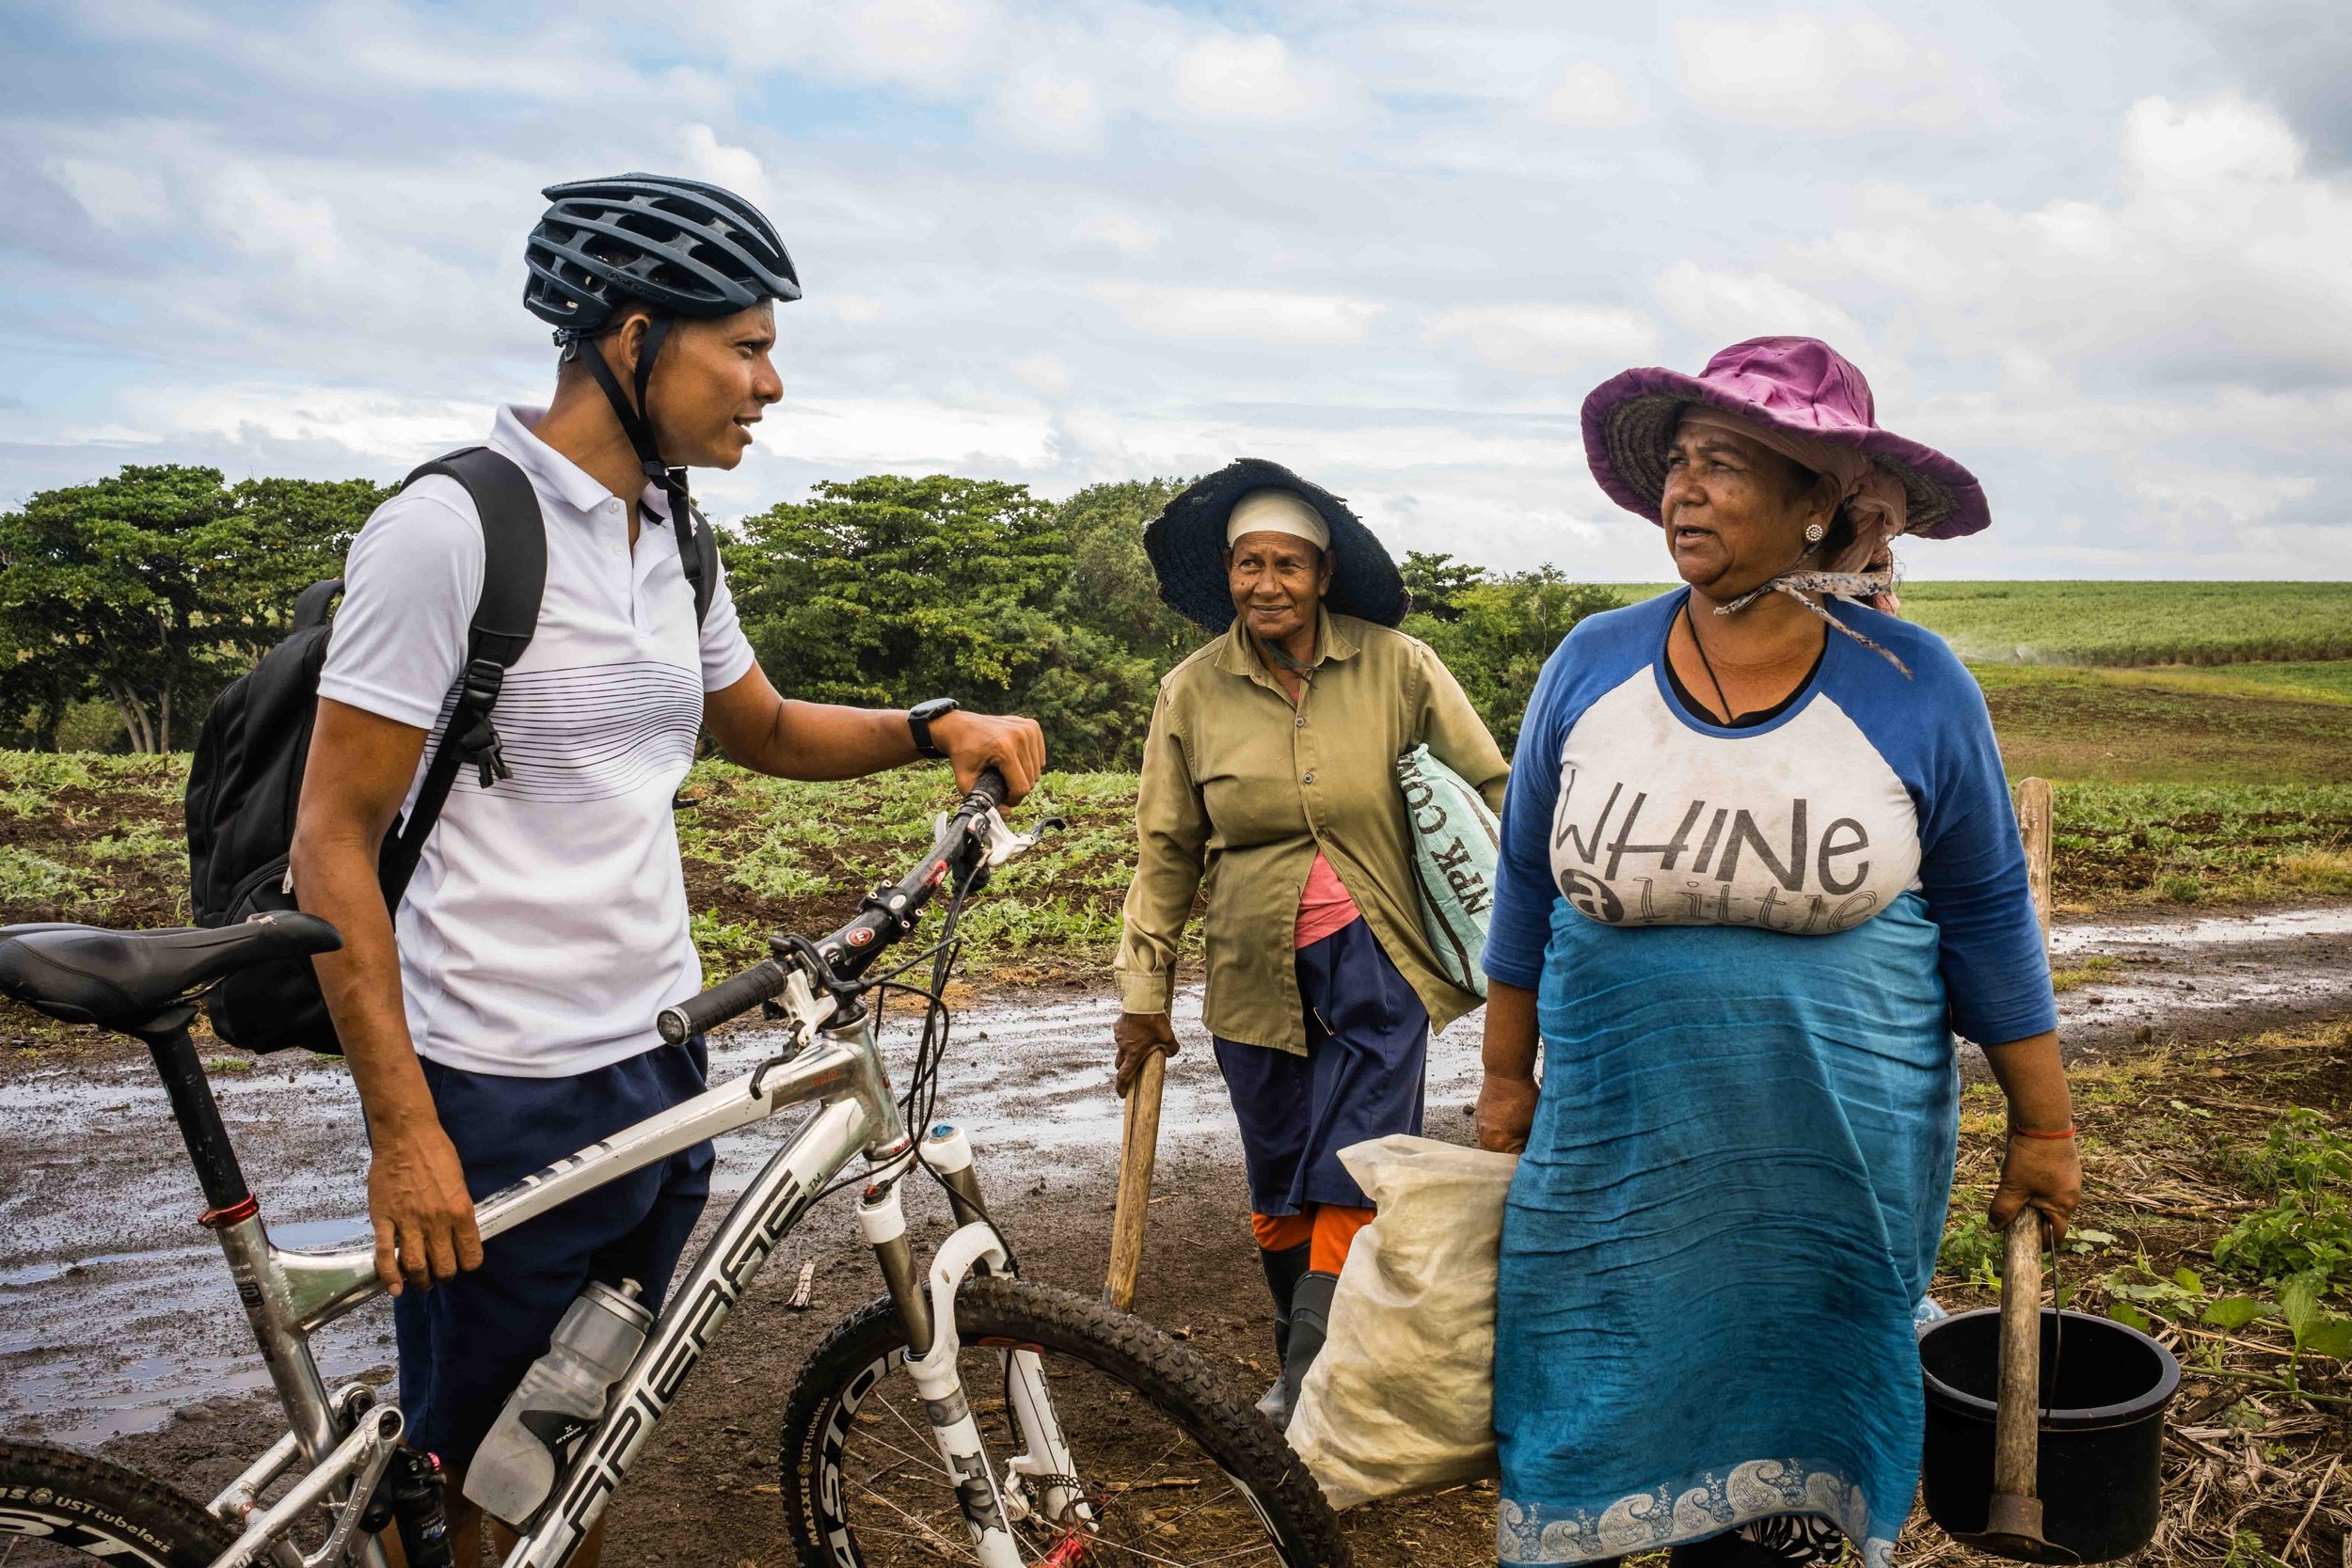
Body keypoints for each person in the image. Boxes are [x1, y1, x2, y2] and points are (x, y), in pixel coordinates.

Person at [289, 173, 1044, 1565]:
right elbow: (330, 836)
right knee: (455, 1474)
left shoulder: (674, 530)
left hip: (656, 1059)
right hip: (499, 1086)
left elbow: (754, 723)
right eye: (744, 346)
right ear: (632, 339)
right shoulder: (454, 528)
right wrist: (406, 1133)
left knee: (565, 1443)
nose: (771, 383)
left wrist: (934, 725)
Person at [1477, 338, 2079, 1568]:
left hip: (1822, 1172)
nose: (1684, 491)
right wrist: (1501, 1078)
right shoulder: (1594, 660)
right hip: (1612, 1154)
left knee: (1783, 1466)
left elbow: (1988, 913)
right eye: (1680, 462)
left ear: (1824, 505)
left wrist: (2046, 1125)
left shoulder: (1914, 681)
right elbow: (1528, 883)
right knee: (1588, 1411)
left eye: (1728, 464)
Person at [1113, 459, 1507, 1422]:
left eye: (1288, 563)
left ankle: (1311, 1377)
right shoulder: (1193, 692)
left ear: (1323, 574)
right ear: (1229, 572)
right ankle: (1309, 1357)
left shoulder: (1398, 665)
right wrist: (1141, 992)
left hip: (1380, 954)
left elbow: (1491, 789)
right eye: (1249, 564)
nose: (1266, 584)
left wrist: (1534, 926)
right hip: (1252, 966)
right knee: (1279, 1169)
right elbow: (1164, 849)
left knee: (1357, 1158)